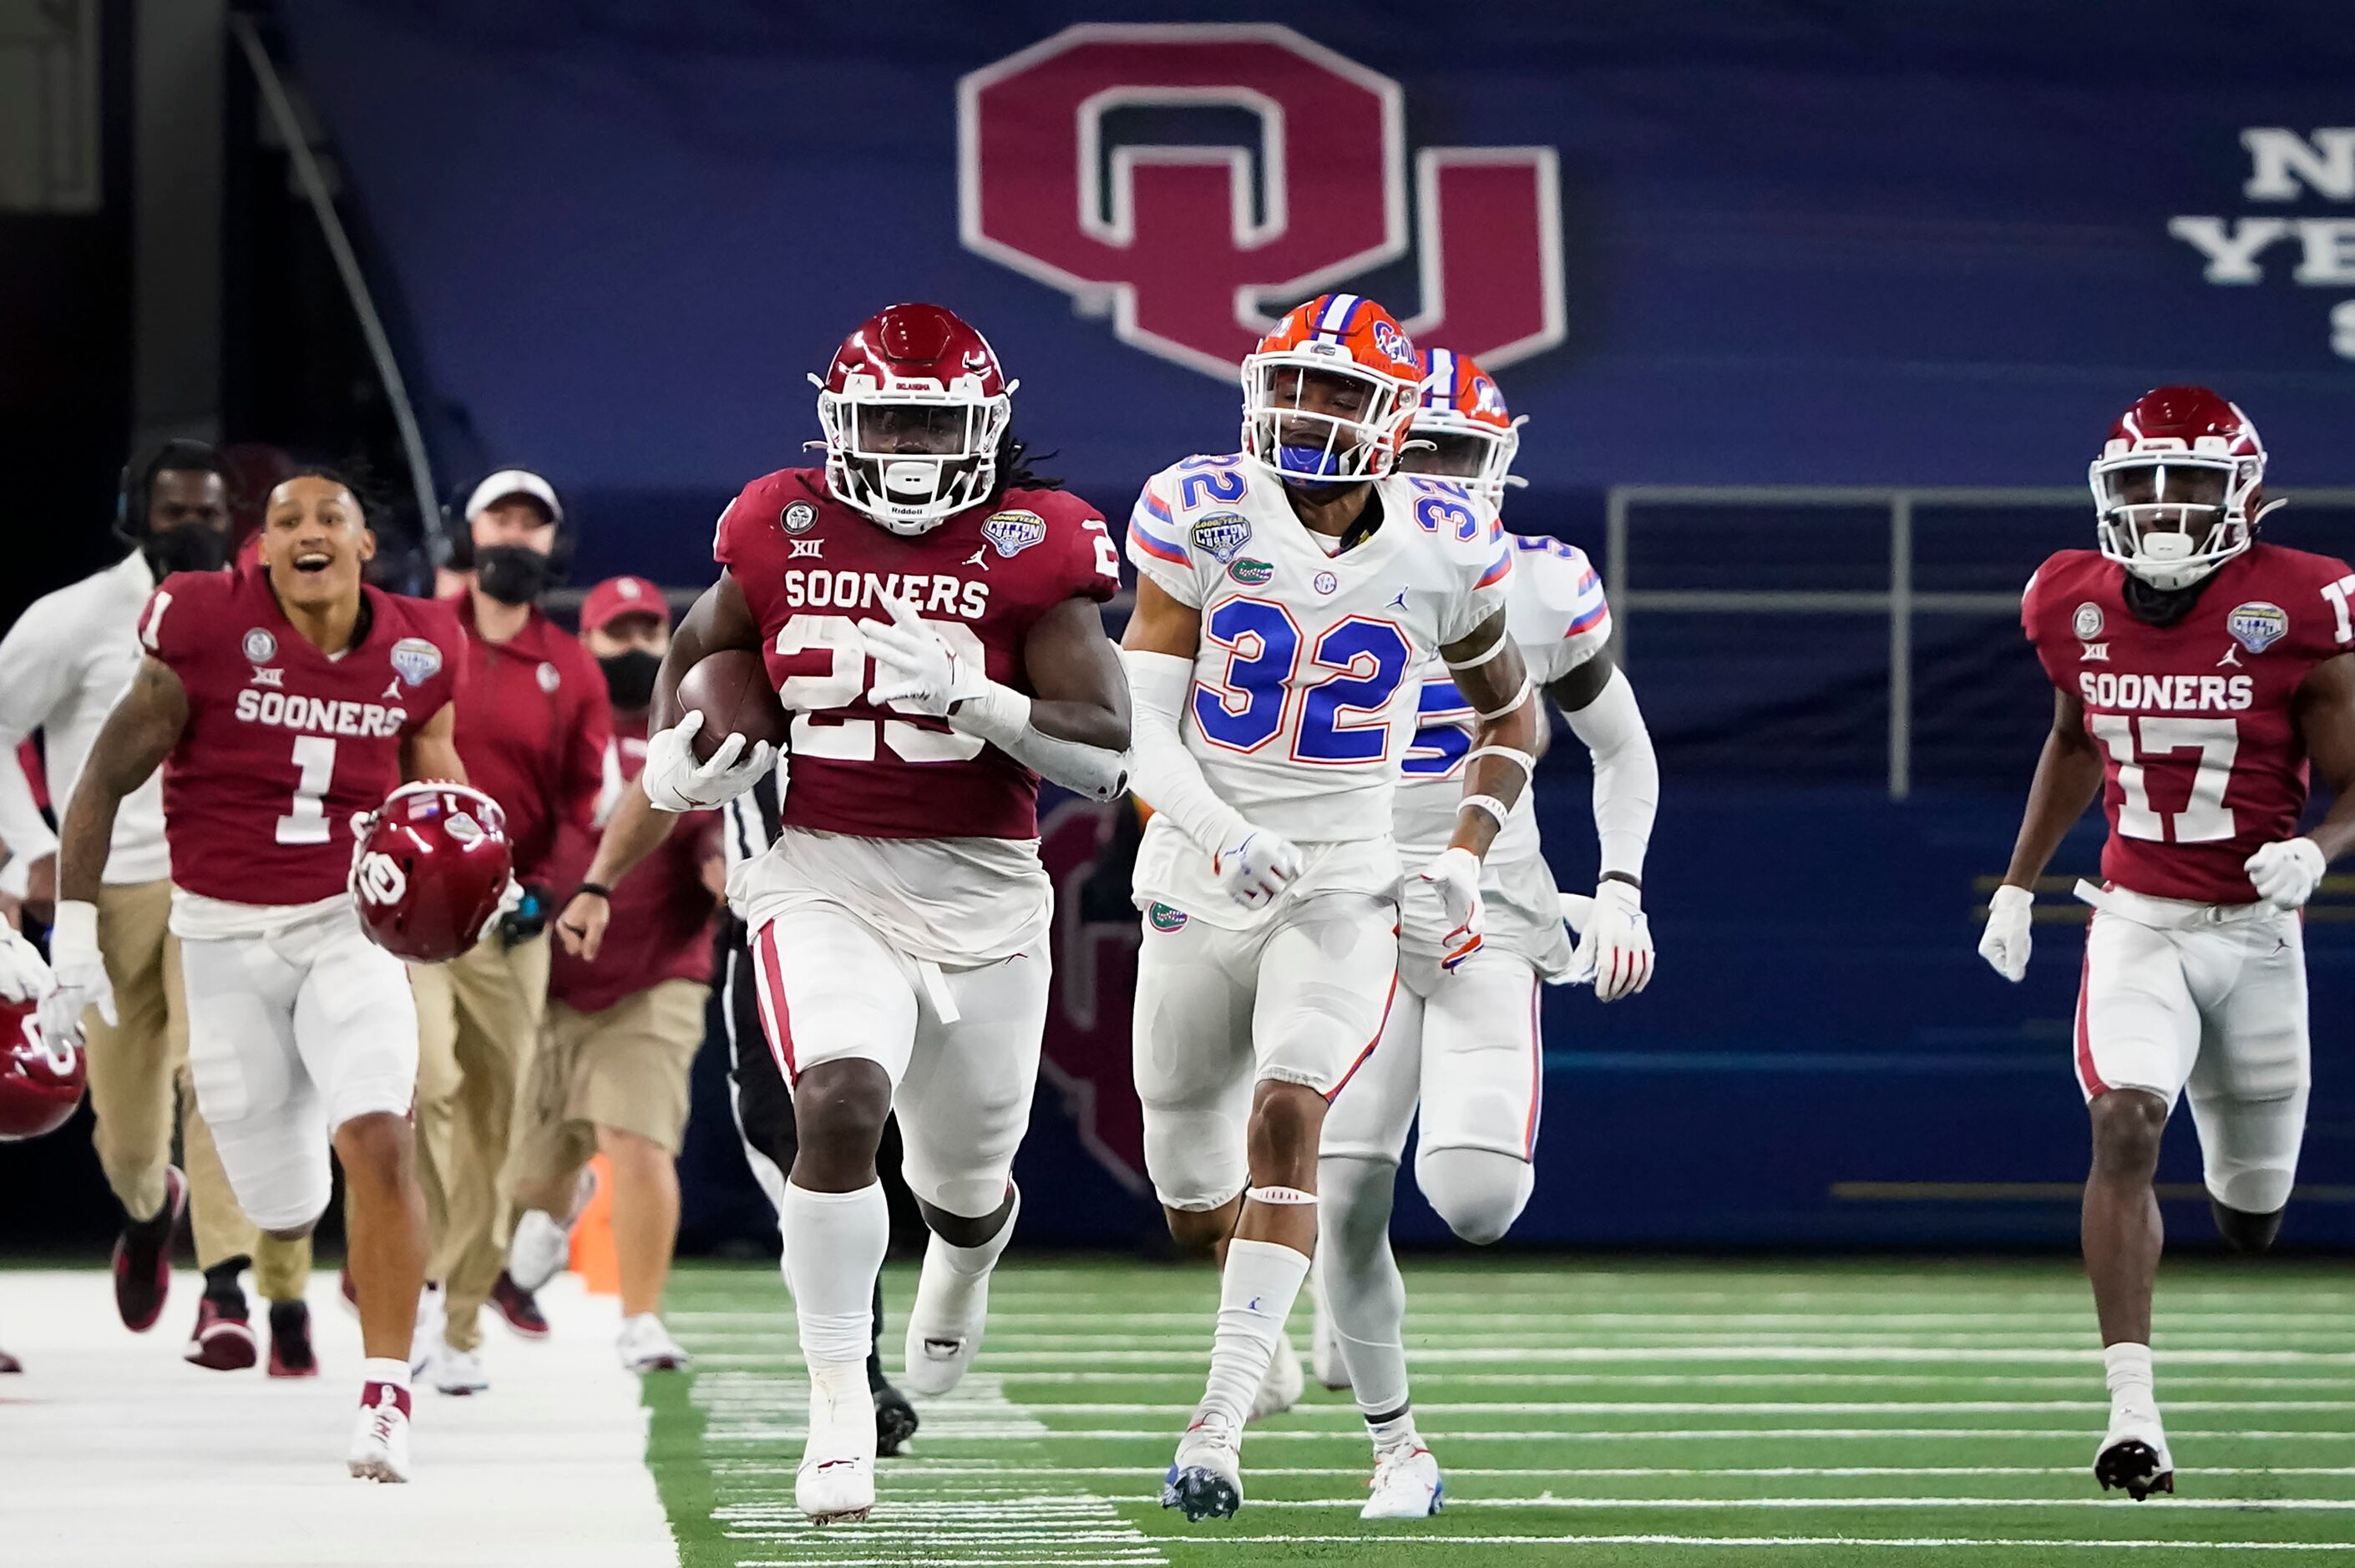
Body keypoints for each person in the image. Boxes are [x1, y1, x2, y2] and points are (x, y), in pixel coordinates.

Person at [638, 301, 1128, 1524]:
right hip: (827, 869)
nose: (908, 444)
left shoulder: (1038, 540)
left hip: (984, 884)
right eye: (888, 416)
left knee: (964, 1180)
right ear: (838, 421)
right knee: (839, 1101)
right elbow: (702, 647)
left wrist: (987, 706)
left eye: (933, 418)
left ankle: (961, 1267)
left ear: (985, 427)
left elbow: (1108, 753)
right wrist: (671, 766)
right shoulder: (775, 518)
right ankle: (837, 1410)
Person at [1121, 294, 1542, 1523]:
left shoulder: (1449, 543)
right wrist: (1218, 830)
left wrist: (1467, 849)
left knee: (1292, 1110)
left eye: (1339, 392)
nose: (1306, 411)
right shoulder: (1200, 506)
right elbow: (1144, 722)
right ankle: (1266, 1334)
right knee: (1196, 1203)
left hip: (1345, 881)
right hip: (1201, 873)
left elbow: (1512, 718)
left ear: (1395, 416)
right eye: (1293, 384)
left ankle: (1218, 1426)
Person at [48, 468, 468, 1480]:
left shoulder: (420, 646)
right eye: (286, 520)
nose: (308, 532)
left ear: (366, 546)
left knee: (380, 1132)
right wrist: (73, 924)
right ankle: (282, 1214)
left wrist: (468, 861)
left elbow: (436, 772)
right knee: (284, 1204)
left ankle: (384, 1396)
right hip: (222, 935)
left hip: (347, 924)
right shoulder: (200, 624)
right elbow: (102, 778)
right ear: (260, 547)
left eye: (331, 518)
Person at [1978, 385, 2355, 1501]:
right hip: (2136, 917)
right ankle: (2131, 1411)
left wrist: (2323, 851)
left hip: (2256, 934)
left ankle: (2233, 1170)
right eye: (2142, 482)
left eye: (2190, 482)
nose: (2163, 507)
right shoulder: (2067, 598)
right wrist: (2017, 883)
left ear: (2243, 492)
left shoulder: (2305, 600)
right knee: (2125, 1119)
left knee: (2252, 1215)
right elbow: (2071, 738)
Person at [1311, 349, 1660, 1518]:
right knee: (1347, 1194)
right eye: (1423, 449)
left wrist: (1619, 887)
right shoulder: (1297, 560)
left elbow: (1621, 744)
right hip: (1343, 900)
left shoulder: (1543, 580)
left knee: (1475, 1198)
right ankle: (1396, 1444)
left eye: (1463, 452)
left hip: (1486, 902)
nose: (1443, 474)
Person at [4, 441, 316, 1372]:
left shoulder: (264, 613)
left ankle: (223, 1294)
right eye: (174, 510)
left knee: (216, 1073)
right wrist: (32, 848)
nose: (195, 526)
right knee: (126, 1127)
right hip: (106, 887)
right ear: (134, 515)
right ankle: (151, 1214)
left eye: (211, 511)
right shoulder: (77, 618)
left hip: (221, 880)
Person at [408, 468, 609, 1393]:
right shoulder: (413, 637)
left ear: (551, 547)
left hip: (510, 914)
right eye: (502, 519)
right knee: (427, 1081)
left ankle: (458, 1322)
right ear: (468, 531)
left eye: (535, 525)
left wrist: (551, 885)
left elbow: (581, 798)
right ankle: (416, 1272)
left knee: (495, 1112)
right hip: (411, 911)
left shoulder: (569, 665)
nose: (516, 538)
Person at [507, 574, 721, 1373]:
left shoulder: (690, 734)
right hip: (540, 975)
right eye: (615, 635)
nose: (634, 650)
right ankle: (560, 1213)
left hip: (654, 968)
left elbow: (712, 838)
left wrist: (727, 876)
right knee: (527, 1175)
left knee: (638, 1141)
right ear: (585, 645)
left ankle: (640, 1320)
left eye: (646, 634)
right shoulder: (552, 730)